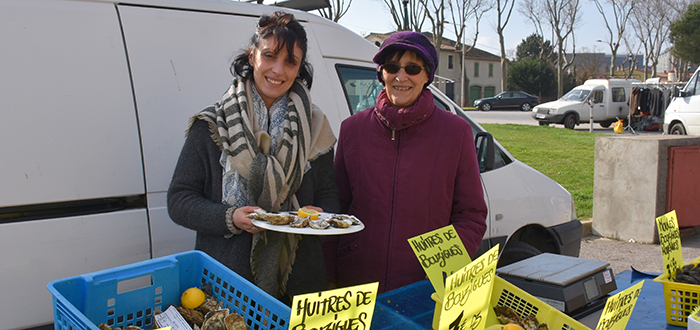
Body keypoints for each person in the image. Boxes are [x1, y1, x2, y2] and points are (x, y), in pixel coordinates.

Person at [167, 11, 339, 304]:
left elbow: (330, 195)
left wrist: (320, 213)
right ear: (252, 56)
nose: (278, 70)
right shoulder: (212, 125)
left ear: (299, 69)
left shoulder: (315, 127)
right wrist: (229, 217)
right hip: (226, 281)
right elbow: (179, 200)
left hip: (299, 285)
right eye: (269, 55)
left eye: (290, 61)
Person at [323, 31, 488, 293]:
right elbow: (336, 208)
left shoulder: (456, 132)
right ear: (381, 74)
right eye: (392, 67)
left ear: (427, 76)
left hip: (423, 289)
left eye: (412, 68)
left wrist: (440, 272)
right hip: (355, 285)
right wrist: (330, 276)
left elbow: (471, 216)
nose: (401, 77)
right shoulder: (352, 129)